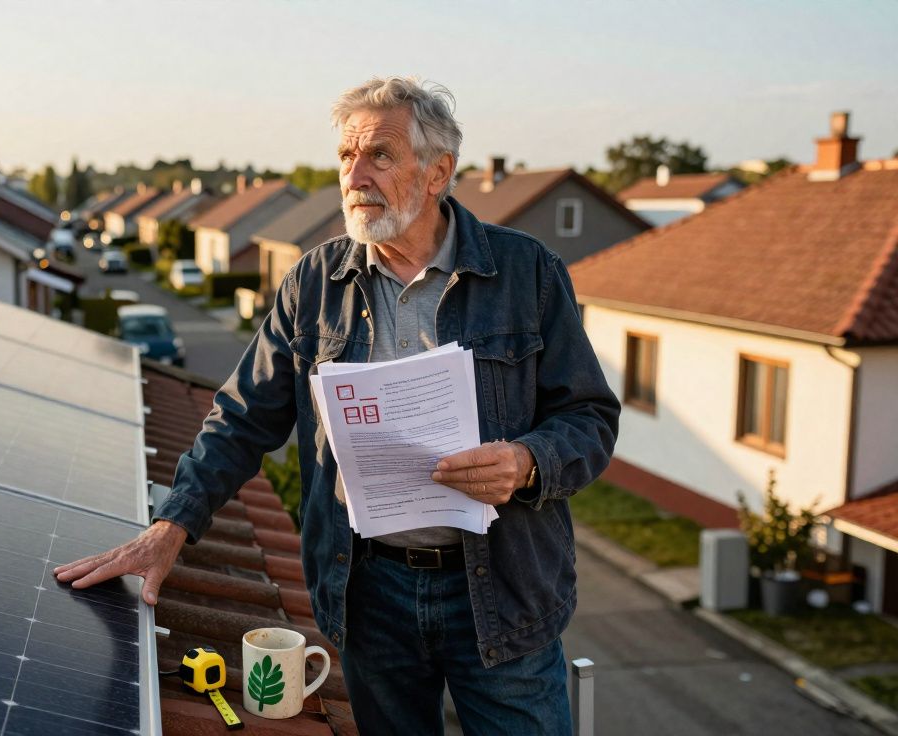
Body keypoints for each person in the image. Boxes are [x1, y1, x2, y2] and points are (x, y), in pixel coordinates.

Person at [55, 77, 619, 735]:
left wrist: (526, 461)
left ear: (438, 172)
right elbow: (241, 418)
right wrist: (171, 526)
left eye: (379, 154)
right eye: (346, 156)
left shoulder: (527, 274)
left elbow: (590, 418)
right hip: (369, 593)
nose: (354, 174)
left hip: (503, 590)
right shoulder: (313, 283)